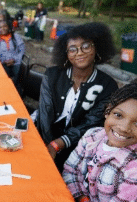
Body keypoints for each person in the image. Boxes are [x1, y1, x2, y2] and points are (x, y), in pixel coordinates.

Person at [32, 22, 119, 172]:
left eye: (86, 46)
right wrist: (46, 144)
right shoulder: (52, 75)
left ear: (96, 48)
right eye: (72, 49)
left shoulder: (108, 85)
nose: (79, 52)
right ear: (66, 54)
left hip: (80, 146)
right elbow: (45, 112)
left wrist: (57, 144)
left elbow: (91, 123)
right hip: (45, 136)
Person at [62, 83, 137, 202]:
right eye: (118, 115)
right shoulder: (92, 135)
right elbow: (70, 170)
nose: (124, 128)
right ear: (108, 111)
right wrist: (82, 198)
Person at [0, 20, 25, 88]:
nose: (3, 28)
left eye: (5, 26)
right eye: (0, 27)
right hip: (3, 63)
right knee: (3, 75)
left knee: (18, 75)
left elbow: (21, 51)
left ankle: (17, 89)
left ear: (9, 27)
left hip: (16, 62)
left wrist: (14, 60)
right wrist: (3, 61)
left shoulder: (16, 37)